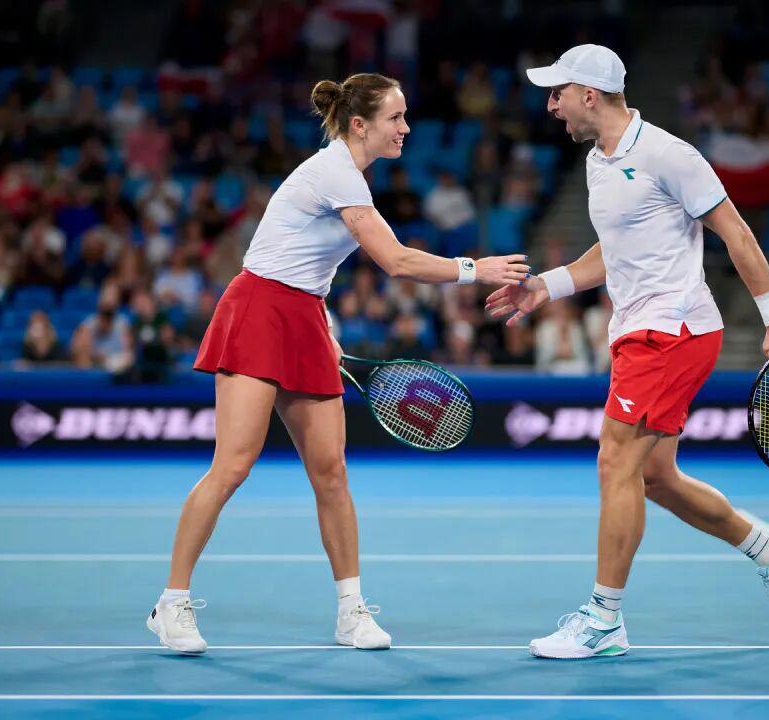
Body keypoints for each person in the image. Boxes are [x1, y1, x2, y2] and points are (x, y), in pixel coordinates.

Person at [147, 72, 528, 654]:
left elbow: (312, 273)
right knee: (233, 465)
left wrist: (320, 330)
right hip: (257, 310)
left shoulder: (353, 177)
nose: (405, 128)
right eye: (395, 117)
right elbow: (396, 262)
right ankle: (170, 604)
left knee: (331, 473)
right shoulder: (335, 172)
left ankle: (352, 612)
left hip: (305, 314)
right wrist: (477, 269)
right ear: (359, 125)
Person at [486, 45, 769, 659]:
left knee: (615, 463)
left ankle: (603, 620)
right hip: (638, 330)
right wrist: (544, 287)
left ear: (589, 95)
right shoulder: (597, 163)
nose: (551, 106)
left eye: (558, 93)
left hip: (673, 331)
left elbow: (737, 233)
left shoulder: (669, 155)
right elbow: (611, 251)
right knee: (656, 478)